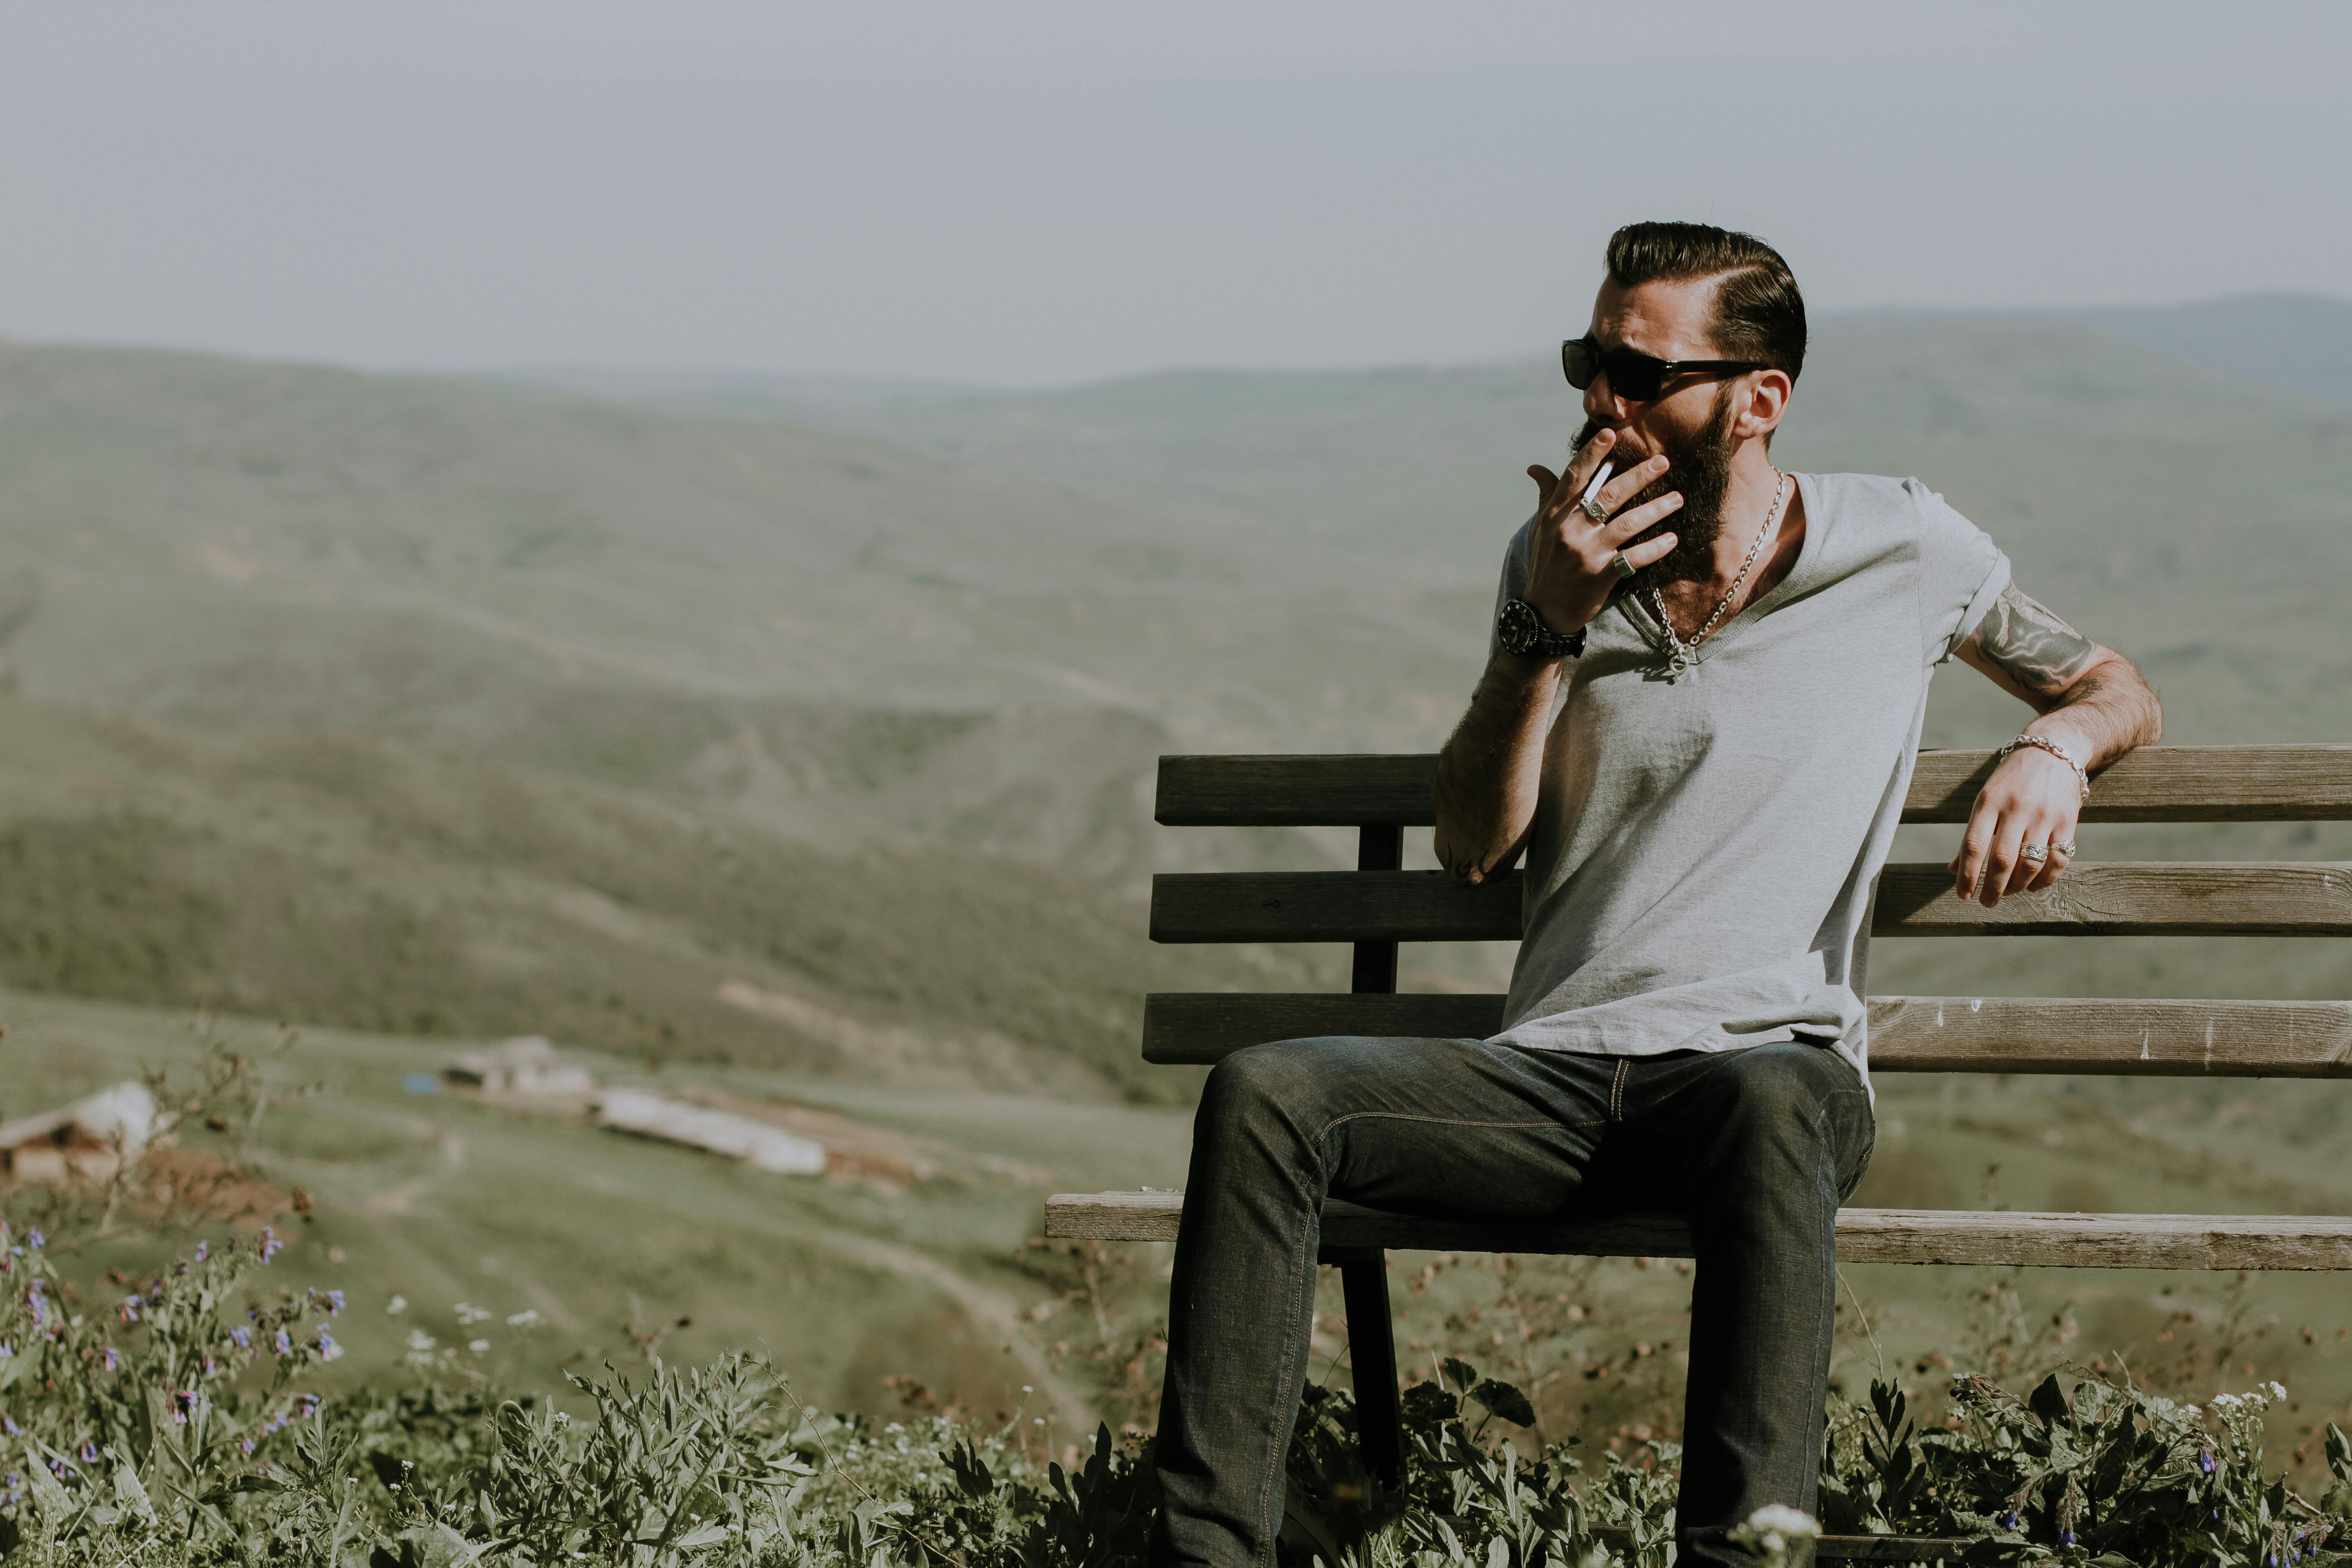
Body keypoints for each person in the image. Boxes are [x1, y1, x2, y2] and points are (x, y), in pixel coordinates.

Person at [1149, 221, 2163, 1568]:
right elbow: (1469, 847)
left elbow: (2110, 683)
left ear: (1758, 400)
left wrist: (2056, 750)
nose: (1599, 402)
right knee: (1269, 1094)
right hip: (1554, 1083)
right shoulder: (1552, 560)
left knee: (1766, 1100)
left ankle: (1743, 1555)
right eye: (1588, 362)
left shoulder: (1903, 545)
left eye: (1640, 372)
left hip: (1762, 1075)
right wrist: (1545, 626)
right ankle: (1202, 1553)